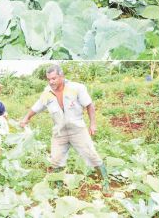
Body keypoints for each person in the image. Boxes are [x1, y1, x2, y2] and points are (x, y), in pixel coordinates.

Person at [20, 65, 110, 193]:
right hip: (59, 131)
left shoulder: (76, 88)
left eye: (54, 78)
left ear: (62, 76)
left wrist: (93, 124)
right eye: (49, 79)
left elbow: (89, 105)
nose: (51, 82)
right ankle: (58, 187)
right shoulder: (47, 92)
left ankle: (105, 183)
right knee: (56, 160)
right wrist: (26, 118)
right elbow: (36, 107)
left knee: (91, 155)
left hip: (77, 129)